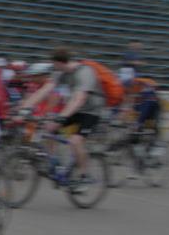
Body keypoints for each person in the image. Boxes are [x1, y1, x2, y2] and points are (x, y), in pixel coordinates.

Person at [16, 47, 106, 188]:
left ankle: (85, 175)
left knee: (75, 140)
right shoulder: (61, 73)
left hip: (91, 111)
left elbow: (79, 99)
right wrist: (24, 107)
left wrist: (61, 116)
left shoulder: (85, 72)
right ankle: (57, 166)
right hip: (75, 109)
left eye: (54, 64)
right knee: (48, 128)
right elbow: (44, 91)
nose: (53, 67)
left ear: (59, 62)